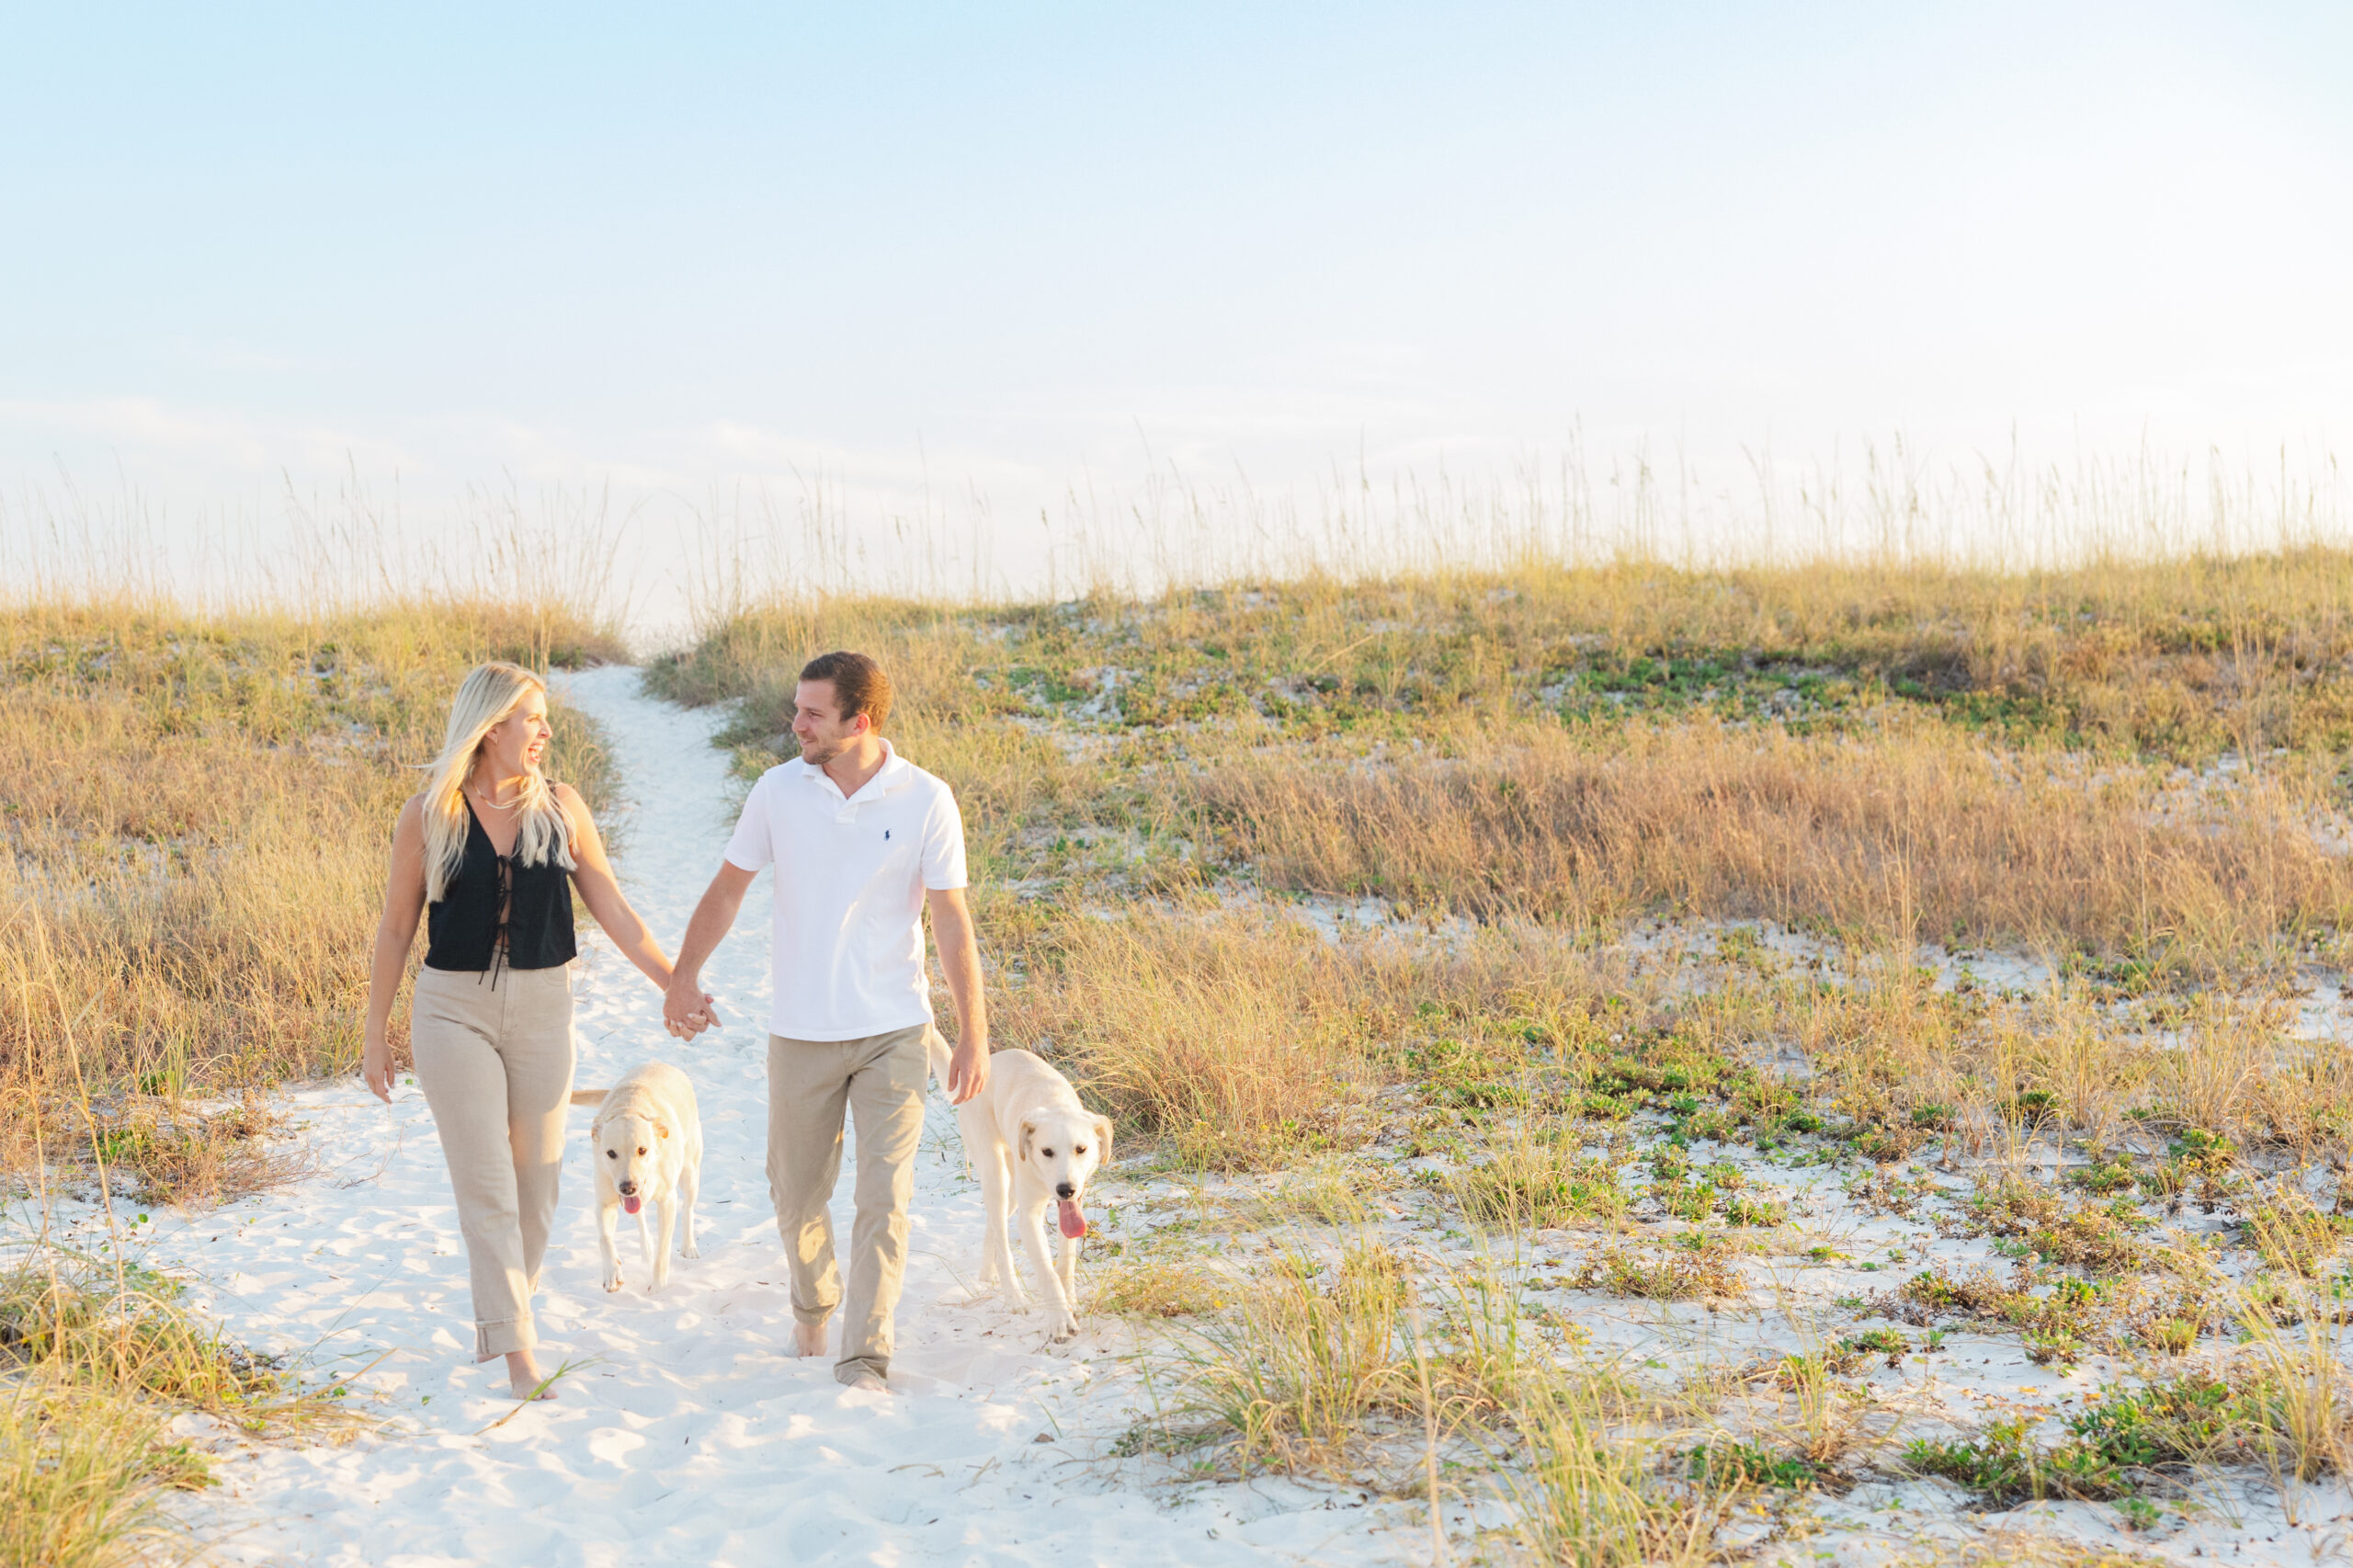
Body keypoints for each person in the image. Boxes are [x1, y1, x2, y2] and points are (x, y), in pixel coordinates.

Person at [362, 661, 710, 1399]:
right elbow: (395, 930)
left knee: (539, 1185)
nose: (546, 732)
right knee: (486, 1183)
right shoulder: (430, 814)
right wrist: (374, 1033)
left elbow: (614, 909)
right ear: (493, 729)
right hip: (451, 1011)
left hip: (546, 1008)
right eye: (534, 719)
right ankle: (520, 1355)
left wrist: (675, 981)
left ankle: (501, 1324)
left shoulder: (563, 807)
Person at [664, 650, 988, 1392]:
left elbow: (952, 923)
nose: (796, 723)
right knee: (797, 1193)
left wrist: (973, 1031)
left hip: (895, 1030)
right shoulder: (778, 792)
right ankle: (814, 1302)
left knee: (885, 1197)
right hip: (801, 1030)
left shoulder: (926, 799)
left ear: (859, 721)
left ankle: (865, 1354)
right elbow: (726, 891)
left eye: (812, 713)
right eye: (798, 708)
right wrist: (684, 976)